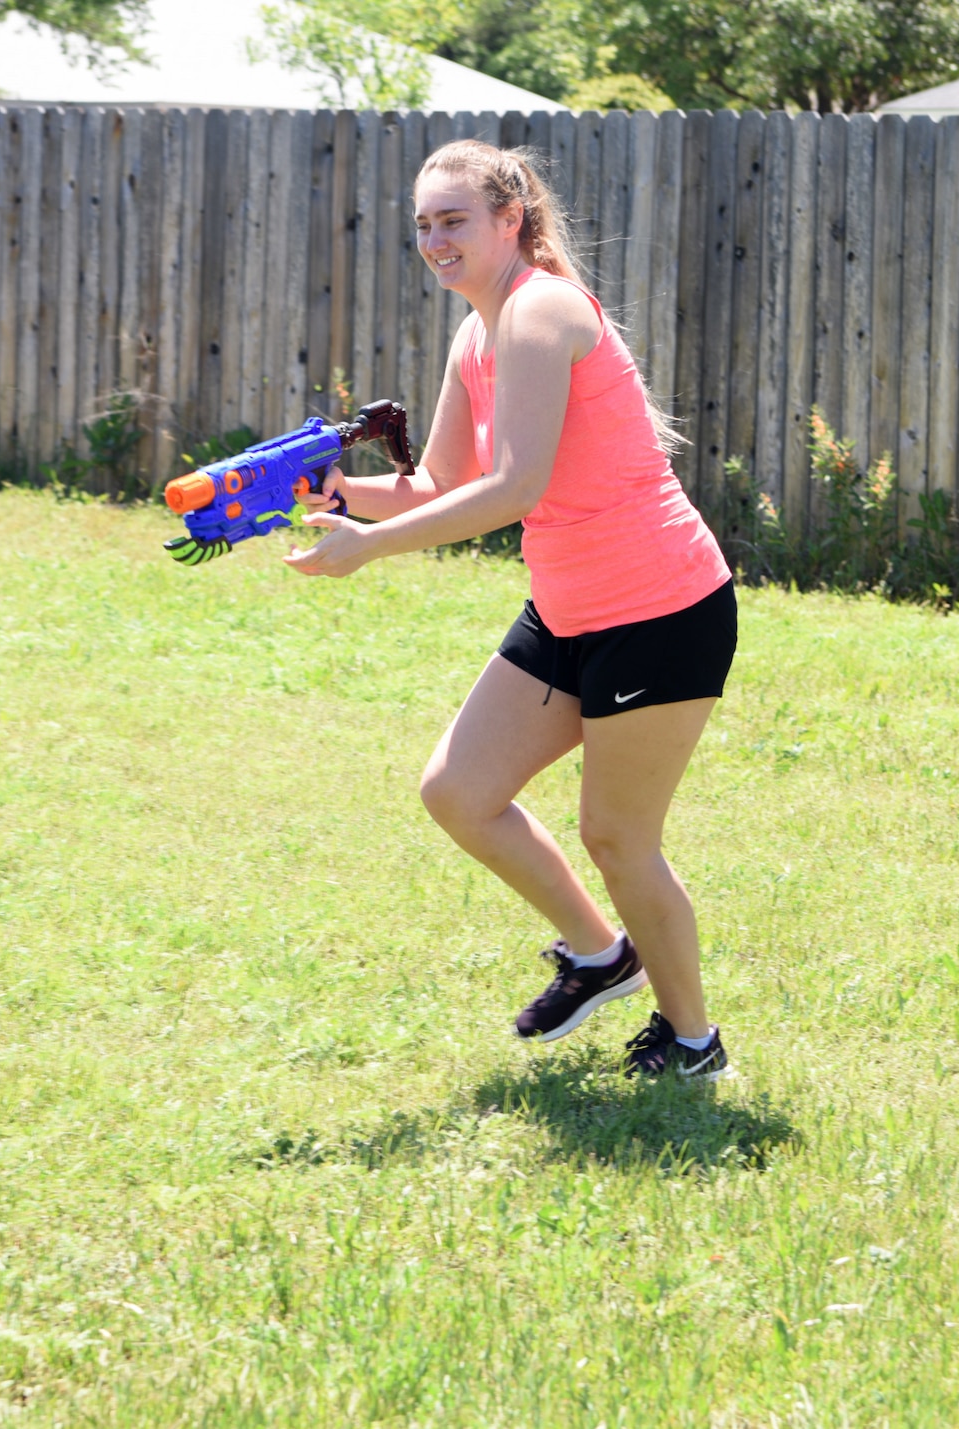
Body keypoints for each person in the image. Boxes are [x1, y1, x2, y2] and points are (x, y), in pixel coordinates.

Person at [286, 140, 737, 1080]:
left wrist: (367, 548)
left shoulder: (541, 311)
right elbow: (441, 483)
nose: (434, 239)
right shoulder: (477, 330)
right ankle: (599, 954)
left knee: (618, 836)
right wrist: (329, 490)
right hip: (569, 607)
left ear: (509, 220)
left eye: (453, 220)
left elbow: (512, 487)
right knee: (458, 791)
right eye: (422, 224)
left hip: (660, 608)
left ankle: (695, 1045)